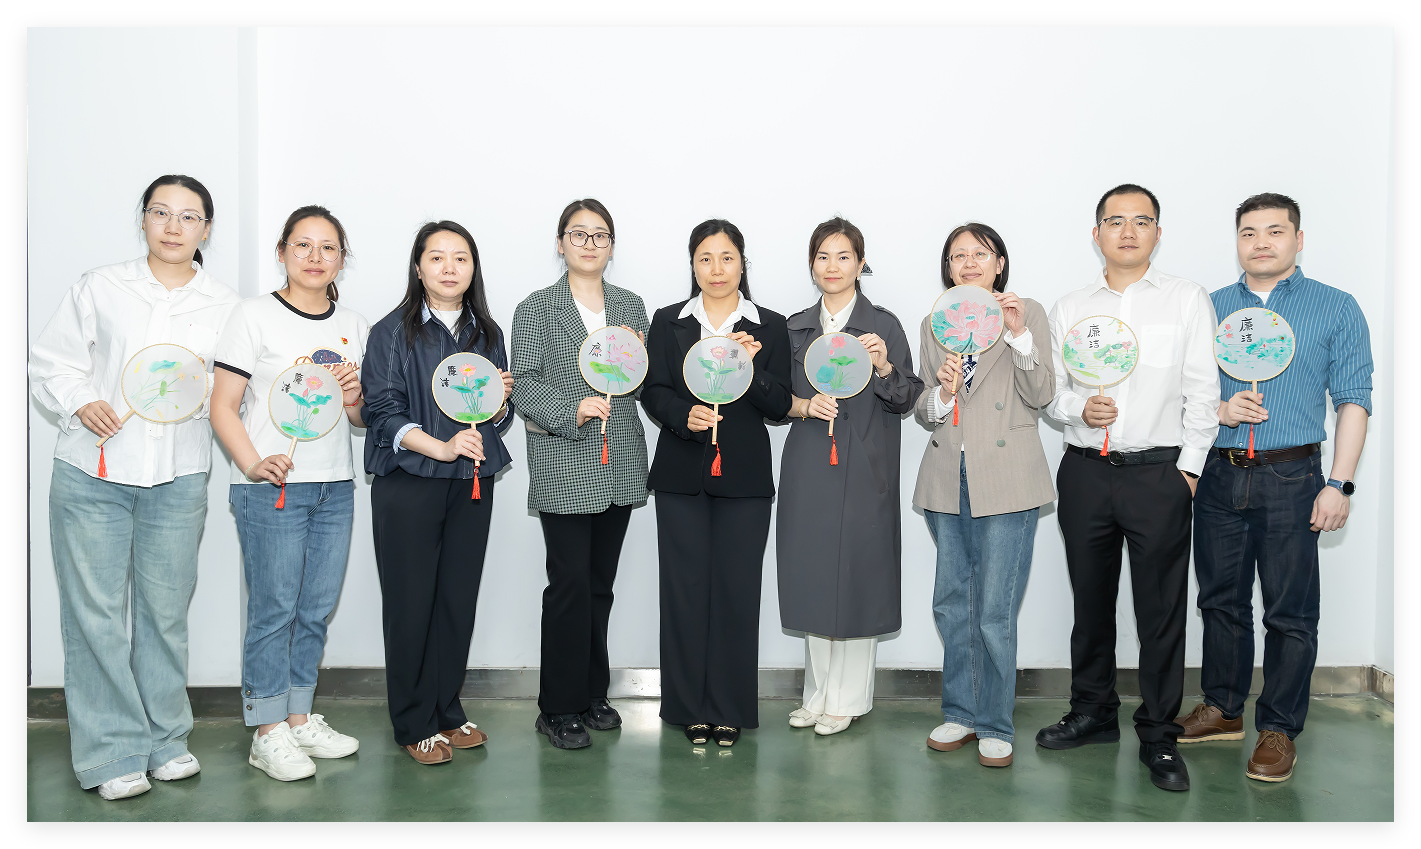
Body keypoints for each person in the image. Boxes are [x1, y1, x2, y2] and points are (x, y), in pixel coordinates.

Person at [30, 175, 239, 800]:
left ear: (206, 229)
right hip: (93, 471)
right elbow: (51, 361)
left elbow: (238, 389)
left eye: (189, 216)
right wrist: (81, 400)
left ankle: (165, 739)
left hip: (178, 476)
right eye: (161, 212)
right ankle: (111, 753)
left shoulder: (226, 305)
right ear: (143, 219)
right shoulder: (101, 286)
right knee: (94, 615)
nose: (173, 226)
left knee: (164, 613)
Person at [1178, 193, 1373, 783]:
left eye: (1275, 231)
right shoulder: (1209, 307)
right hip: (1218, 472)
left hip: (1293, 477)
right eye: (1248, 232)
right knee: (1220, 601)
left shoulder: (1335, 307)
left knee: (1290, 612)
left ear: (1298, 239)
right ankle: (1223, 707)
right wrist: (1220, 410)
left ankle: (1280, 727)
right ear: (1236, 241)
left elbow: (1353, 399)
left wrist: (1339, 484)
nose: (1261, 242)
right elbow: (1182, 394)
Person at [1038, 184, 1220, 792]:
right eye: (1115, 221)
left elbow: (1203, 391)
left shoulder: (1186, 298)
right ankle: (1092, 711)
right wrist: (1078, 410)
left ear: (1157, 234)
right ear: (1096, 234)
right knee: (1090, 602)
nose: (1128, 231)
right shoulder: (1070, 307)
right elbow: (1054, 392)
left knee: (1160, 611)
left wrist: (1188, 470)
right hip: (1086, 471)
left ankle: (1159, 734)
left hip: (1159, 474)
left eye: (1141, 221)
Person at [210, 206, 368, 780]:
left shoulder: (353, 323)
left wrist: (354, 396)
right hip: (271, 488)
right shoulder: (252, 315)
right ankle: (266, 729)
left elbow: (359, 419)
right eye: (303, 245)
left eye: (328, 248)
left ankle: (299, 717)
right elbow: (222, 406)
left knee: (315, 609)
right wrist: (253, 464)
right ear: (282, 252)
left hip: (334, 485)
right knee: (274, 610)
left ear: (342, 260)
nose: (315, 257)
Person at [361, 220, 514, 764]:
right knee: (410, 604)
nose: (450, 268)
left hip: (470, 482)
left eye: (461, 258)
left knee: (456, 599)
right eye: (437, 257)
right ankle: (413, 722)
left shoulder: (487, 333)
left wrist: (499, 404)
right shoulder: (391, 332)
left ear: (473, 268)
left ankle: (447, 709)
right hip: (409, 481)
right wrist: (441, 448)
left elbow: (497, 417)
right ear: (419, 266)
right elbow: (382, 412)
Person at [641, 219, 792, 747]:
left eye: (727, 257)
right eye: (705, 258)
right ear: (693, 265)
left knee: (736, 592)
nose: (717, 268)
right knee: (683, 592)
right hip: (681, 475)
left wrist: (752, 367)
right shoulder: (669, 321)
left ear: (742, 263)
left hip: (745, 478)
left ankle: (729, 707)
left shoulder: (769, 326)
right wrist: (684, 417)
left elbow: (780, 404)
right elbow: (653, 391)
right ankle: (687, 707)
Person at [511, 199, 650, 750]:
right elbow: (524, 384)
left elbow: (638, 380)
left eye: (600, 235)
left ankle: (593, 693)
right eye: (578, 234)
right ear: (560, 243)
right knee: (568, 586)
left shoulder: (630, 306)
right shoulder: (536, 307)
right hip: (564, 461)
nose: (589, 244)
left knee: (599, 587)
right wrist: (573, 410)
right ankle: (557, 706)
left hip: (619, 461)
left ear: (611, 246)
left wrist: (635, 363)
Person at [914, 223, 1054, 767]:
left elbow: (1042, 394)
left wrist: (1017, 337)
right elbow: (925, 409)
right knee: (952, 602)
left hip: (1008, 477)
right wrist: (943, 391)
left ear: (999, 263)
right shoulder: (935, 322)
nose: (969, 262)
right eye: (958, 256)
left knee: (995, 609)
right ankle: (961, 712)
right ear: (948, 269)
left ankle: (995, 722)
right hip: (948, 474)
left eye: (980, 253)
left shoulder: (1026, 313)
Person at [776, 217, 922, 737]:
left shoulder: (883, 326)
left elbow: (907, 398)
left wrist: (883, 368)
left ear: (861, 264)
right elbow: (777, 401)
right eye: (823, 256)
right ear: (811, 265)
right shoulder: (795, 327)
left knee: (859, 576)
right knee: (814, 573)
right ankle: (816, 694)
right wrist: (800, 405)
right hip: (810, 460)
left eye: (844, 256)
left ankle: (848, 699)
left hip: (865, 463)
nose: (832, 266)